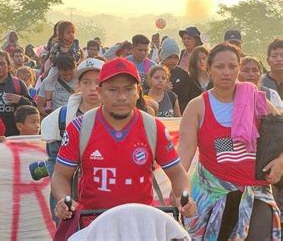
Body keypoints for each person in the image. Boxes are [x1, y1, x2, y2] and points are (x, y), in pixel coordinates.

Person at [51, 58, 195, 230]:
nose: (121, 97)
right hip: (93, 226)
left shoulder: (153, 127)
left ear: (138, 91)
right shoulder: (79, 128)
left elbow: (177, 173)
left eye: (128, 89)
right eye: (112, 90)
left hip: (141, 227)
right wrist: (63, 199)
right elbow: (60, 175)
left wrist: (182, 197)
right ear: (100, 91)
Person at [178, 43, 281, 240]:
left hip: (255, 191)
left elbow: (281, 133)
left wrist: (280, 162)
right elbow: (184, 153)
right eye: (220, 67)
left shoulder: (256, 100)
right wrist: (180, 192)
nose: (226, 72)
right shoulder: (198, 107)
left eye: (232, 66)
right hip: (213, 194)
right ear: (208, 69)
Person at [31, 58, 104, 224]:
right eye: (86, 82)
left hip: (104, 198)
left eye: (98, 82)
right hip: (69, 199)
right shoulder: (60, 119)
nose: (93, 88)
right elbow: (54, 163)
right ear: (78, 85)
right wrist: (65, 198)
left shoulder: (119, 117)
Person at [0, 50, 34, 136]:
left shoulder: (18, 83)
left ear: (9, 65)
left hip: (15, 136)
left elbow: (33, 107)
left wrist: (21, 100)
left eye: (2, 63)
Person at [43, 21, 83, 113]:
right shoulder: (57, 44)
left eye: (73, 32)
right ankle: (49, 101)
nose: (71, 35)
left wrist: (69, 56)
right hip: (57, 66)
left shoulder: (75, 44)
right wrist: (60, 55)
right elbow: (51, 57)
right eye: (68, 33)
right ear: (61, 34)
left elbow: (78, 56)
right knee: (49, 79)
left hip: (72, 66)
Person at [159, 38, 191, 113]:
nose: (173, 61)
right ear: (163, 56)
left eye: (176, 57)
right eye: (169, 57)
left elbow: (185, 99)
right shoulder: (155, 72)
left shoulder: (183, 74)